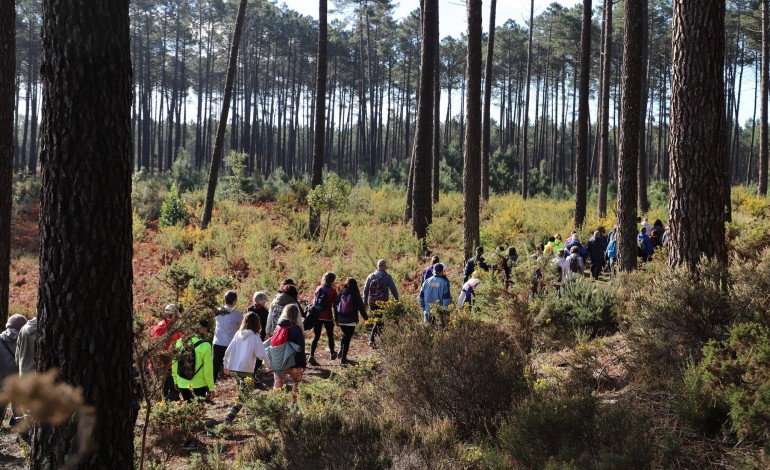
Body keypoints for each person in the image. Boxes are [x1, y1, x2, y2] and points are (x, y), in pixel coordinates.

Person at [223, 312, 268, 424]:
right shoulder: (254, 336)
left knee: (244, 393)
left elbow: (228, 350)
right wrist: (269, 365)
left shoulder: (238, 334)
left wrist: (226, 365)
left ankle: (250, 419)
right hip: (247, 370)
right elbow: (261, 354)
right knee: (244, 395)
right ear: (257, 323)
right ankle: (230, 416)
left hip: (235, 369)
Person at [267, 304, 306, 406]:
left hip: (280, 362)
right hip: (294, 362)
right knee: (297, 382)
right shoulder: (297, 329)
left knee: (278, 383)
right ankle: (294, 405)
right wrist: (303, 364)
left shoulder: (278, 327)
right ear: (296, 314)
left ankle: (275, 406)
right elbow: (300, 348)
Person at [172, 319, 215, 402]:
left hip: (182, 383)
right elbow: (208, 369)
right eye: (206, 330)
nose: (206, 333)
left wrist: (175, 380)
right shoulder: (205, 345)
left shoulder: (179, 342)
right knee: (198, 410)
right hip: (199, 384)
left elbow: (174, 363)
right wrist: (211, 388)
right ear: (203, 328)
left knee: (187, 409)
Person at [151, 304, 183, 400]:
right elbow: (180, 345)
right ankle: (166, 409)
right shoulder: (175, 328)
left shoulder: (157, 327)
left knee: (162, 391)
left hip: (157, 364)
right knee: (175, 391)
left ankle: (162, 408)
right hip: (170, 365)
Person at [364, 259, 399, 347]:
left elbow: (365, 290)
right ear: (384, 266)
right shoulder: (387, 277)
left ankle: (379, 340)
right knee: (379, 321)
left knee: (379, 320)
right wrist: (397, 299)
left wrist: (365, 302)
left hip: (372, 303)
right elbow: (393, 289)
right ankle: (372, 340)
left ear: (378, 266)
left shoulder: (370, 276)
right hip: (382, 303)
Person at [335, 278, 369, 366]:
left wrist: (336, 319)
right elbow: (361, 307)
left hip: (341, 319)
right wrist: (366, 318)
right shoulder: (355, 294)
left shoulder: (342, 292)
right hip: (351, 320)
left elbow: (335, 306)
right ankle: (343, 358)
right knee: (347, 338)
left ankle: (340, 351)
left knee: (345, 336)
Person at [0, 315, 26, 425]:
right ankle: (19, 428)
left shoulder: (0, 339)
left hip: (3, 381)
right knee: (19, 408)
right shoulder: (26, 340)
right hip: (18, 381)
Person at [309, 272, 339, 366]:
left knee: (316, 337)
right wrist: (336, 318)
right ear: (333, 280)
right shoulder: (332, 291)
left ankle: (311, 356)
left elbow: (314, 302)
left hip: (317, 316)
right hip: (327, 316)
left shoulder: (318, 288)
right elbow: (335, 305)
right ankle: (332, 353)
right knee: (330, 335)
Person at [212, 291, 243, 382]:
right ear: (234, 301)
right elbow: (242, 326)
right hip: (231, 344)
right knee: (236, 366)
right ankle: (239, 386)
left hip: (217, 342)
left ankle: (210, 388)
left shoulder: (218, 310)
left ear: (224, 300)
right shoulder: (236, 313)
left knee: (215, 367)